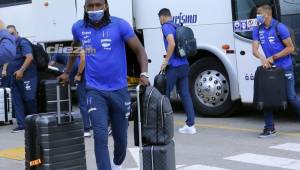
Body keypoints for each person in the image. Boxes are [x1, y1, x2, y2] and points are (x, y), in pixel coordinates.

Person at [58, 0, 149, 169]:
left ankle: (116, 164)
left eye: (98, 5)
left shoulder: (120, 25)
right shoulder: (78, 27)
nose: (94, 9)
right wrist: (66, 71)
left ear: (106, 6)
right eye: (90, 6)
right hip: (94, 90)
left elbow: (139, 50)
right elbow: (74, 48)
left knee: (121, 138)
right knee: (99, 136)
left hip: (119, 91)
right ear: (85, 7)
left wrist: (143, 73)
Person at [252, 4, 299, 138]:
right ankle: (269, 128)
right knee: (266, 96)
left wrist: (273, 57)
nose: (257, 17)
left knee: (291, 97)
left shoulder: (280, 27)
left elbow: (290, 48)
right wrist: (262, 58)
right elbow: (254, 50)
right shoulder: (257, 28)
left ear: (267, 14)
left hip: (285, 67)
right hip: (270, 69)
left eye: (259, 14)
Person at [158, 8, 197, 135]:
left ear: (162, 17)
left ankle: (165, 127)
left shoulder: (165, 27)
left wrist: (166, 61)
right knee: (185, 94)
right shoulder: (177, 26)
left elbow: (172, 44)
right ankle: (191, 125)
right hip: (184, 65)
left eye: (159, 19)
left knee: (165, 96)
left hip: (174, 67)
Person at [6, 25, 38, 133]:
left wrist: (21, 70)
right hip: (14, 77)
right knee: (17, 101)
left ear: (17, 33)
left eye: (12, 33)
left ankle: (34, 123)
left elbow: (29, 57)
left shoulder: (22, 42)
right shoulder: (9, 46)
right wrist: (5, 69)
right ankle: (21, 125)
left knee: (29, 99)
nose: (11, 36)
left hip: (27, 76)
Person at [73, 49, 92, 137]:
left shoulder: (81, 45)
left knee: (83, 104)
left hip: (84, 79)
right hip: (93, 78)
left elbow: (83, 59)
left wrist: (79, 74)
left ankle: (86, 128)